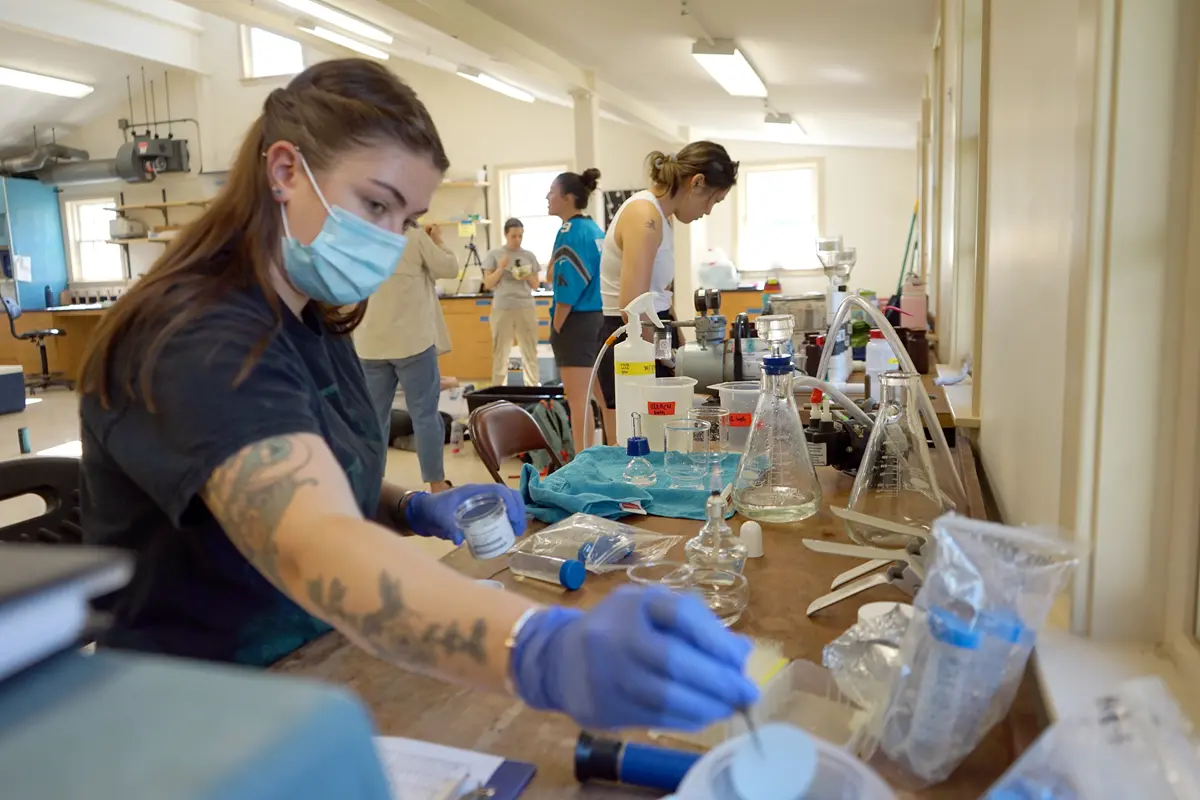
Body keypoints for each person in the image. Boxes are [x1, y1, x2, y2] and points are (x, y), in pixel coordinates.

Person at [75, 60, 756, 733]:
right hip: (195, 711)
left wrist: (411, 505)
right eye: (375, 203)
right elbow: (314, 543)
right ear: (284, 172)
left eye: (405, 217)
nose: (387, 237)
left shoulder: (310, 317)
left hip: (314, 667)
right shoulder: (195, 339)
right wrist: (540, 649)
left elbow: (294, 472)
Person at [597, 143, 739, 434]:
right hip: (634, 342)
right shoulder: (644, 218)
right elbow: (632, 309)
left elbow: (659, 294)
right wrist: (661, 361)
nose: (708, 210)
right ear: (696, 182)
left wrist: (682, 350)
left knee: (667, 442)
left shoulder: (661, 218)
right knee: (641, 443)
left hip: (656, 335)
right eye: (712, 199)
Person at [356, 222, 457, 493]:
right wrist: (438, 240)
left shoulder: (362, 235)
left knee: (374, 418)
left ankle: (372, 482)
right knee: (424, 414)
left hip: (371, 343)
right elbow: (449, 268)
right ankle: (436, 482)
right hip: (413, 343)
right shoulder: (414, 238)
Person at [546, 168, 605, 453]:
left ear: (568, 198)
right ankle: (597, 455)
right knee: (601, 400)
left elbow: (567, 284)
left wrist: (558, 324)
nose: (548, 198)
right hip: (599, 319)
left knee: (578, 400)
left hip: (576, 322)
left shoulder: (570, 231)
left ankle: (582, 462)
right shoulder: (595, 229)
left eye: (552, 193)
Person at [481, 218, 541, 387]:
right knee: (500, 353)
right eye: (514, 236)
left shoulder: (529, 256)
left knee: (529, 351)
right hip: (503, 308)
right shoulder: (494, 254)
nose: (517, 240)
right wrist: (501, 268)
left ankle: (533, 388)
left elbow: (536, 285)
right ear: (506, 235)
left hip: (526, 307)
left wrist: (527, 274)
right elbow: (488, 283)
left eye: (520, 236)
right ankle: (499, 391)